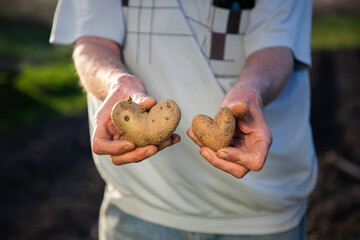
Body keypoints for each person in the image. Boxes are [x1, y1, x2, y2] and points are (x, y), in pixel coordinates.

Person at [50, 0, 317, 239]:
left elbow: (275, 45)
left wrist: (252, 92)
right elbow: (93, 40)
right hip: (140, 203)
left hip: (262, 209)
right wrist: (114, 84)